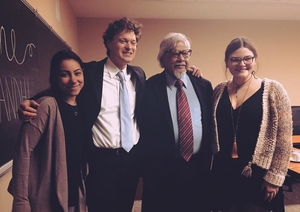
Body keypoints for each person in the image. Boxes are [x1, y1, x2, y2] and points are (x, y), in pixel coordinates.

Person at [17, 17, 202, 212]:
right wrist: (31, 101)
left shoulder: (138, 76)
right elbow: (65, 86)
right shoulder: (90, 72)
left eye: (133, 42)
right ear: (108, 43)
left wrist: (191, 72)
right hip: (101, 162)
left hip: (132, 159)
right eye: (123, 41)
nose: (129, 46)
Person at [211, 37, 292, 212]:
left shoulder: (273, 90)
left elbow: (284, 140)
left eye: (248, 58)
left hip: (258, 175)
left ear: (254, 60)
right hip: (224, 172)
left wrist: (274, 178)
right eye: (235, 59)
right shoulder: (219, 90)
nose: (242, 64)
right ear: (227, 62)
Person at [140, 32, 213, 212]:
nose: (181, 58)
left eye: (185, 53)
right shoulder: (149, 87)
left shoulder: (203, 85)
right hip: (163, 170)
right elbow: (143, 128)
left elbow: (210, 124)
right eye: (174, 53)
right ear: (162, 58)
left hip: (198, 167)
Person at [8, 50, 87, 212]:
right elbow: (23, 152)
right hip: (46, 197)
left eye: (77, 73)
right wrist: (21, 200)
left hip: (73, 193)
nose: (73, 80)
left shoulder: (83, 107)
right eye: (65, 74)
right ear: (55, 77)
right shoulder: (45, 106)